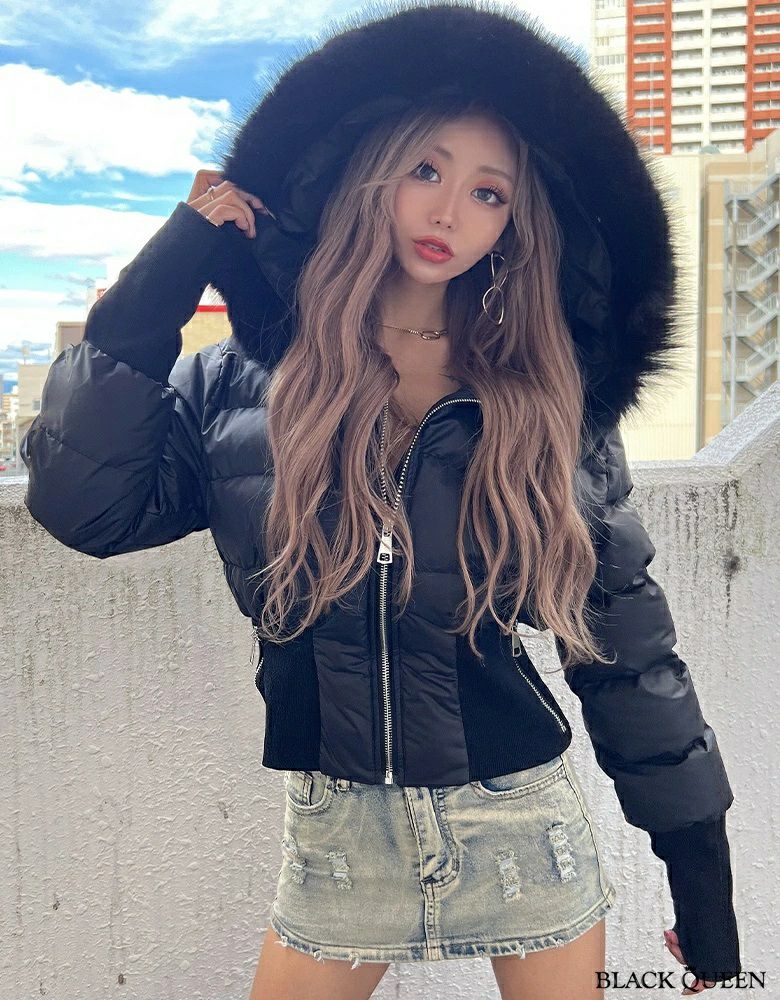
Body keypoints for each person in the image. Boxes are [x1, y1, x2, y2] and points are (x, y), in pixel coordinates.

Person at [19, 4, 741, 999]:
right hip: (337, 843)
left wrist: (702, 880)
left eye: (488, 192)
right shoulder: (246, 383)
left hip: (523, 830)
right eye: (426, 170)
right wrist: (163, 279)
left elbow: (626, 644)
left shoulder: (544, 394)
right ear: (370, 172)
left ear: (516, 221)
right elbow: (86, 508)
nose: (449, 214)